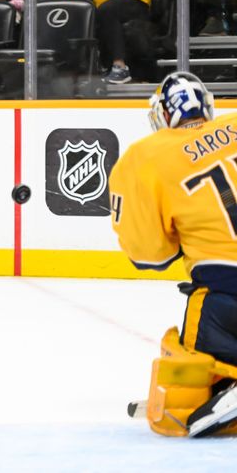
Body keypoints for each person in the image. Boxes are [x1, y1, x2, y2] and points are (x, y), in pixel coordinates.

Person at [109, 71, 237, 438]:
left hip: (229, 295)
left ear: (161, 116)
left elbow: (149, 256)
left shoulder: (145, 157)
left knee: (189, 363)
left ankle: (216, 385)